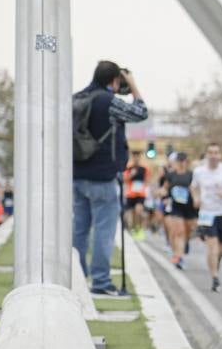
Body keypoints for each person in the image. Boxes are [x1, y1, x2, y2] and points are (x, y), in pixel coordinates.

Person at [72, 61, 149, 295]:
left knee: (79, 230)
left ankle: (76, 276)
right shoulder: (108, 101)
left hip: (76, 175)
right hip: (103, 177)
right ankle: (101, 282)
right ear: (114, 80)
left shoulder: (76, 99)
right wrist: (133, 85)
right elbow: (140, 112)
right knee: (104, 232)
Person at [190, 143, 222, 293]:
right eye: (210, 153)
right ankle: (215, 278)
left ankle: (216, 264)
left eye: (216, 153)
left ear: (220, 155)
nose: (213, 156)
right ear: (207, 155)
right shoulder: (199, 172)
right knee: (212, 246)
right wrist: (196, 198)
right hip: (207, 213)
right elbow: (194, 187)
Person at [159, 152, 197, 269]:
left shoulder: (192, 175)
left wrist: (196, 197)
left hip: (189, 207)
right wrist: (163, 196)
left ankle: (184, 244)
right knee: (178, 231)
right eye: (179, 161)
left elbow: (196, 189)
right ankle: (179, 257)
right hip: (176, 207)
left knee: (188, 230)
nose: (181, 163)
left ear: (186, 162)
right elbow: (164, 188)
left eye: (183, 161)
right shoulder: (171, 175)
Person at [123, 149, 149, 238]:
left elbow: (147, 180)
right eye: (134, 156)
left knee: (139, 211)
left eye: (138, 156)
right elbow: (125, 180)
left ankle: (139, 229)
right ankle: (134, 228)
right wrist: (131, 175)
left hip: (140, 194)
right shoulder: (128, 168)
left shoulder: (144, 169)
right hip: (130, 194)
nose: (136, 158)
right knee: (131, 213)